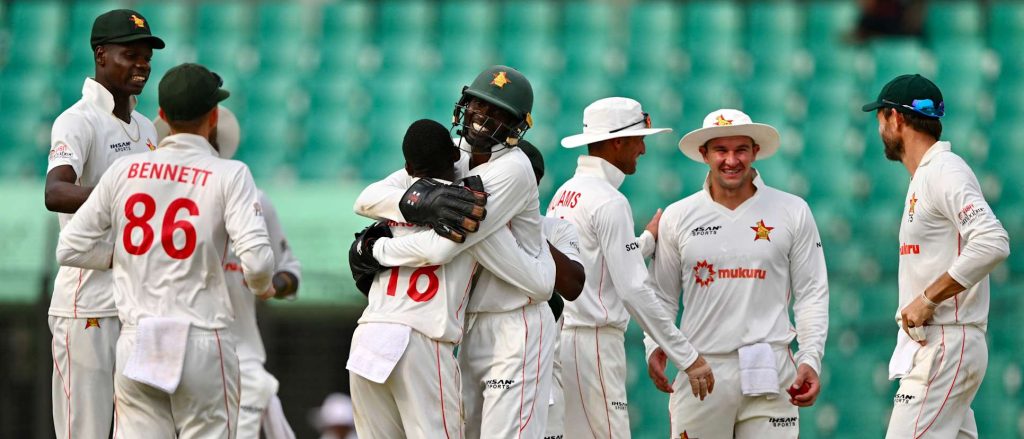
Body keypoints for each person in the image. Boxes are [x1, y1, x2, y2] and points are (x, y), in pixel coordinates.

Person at [55, 62, 275, 438]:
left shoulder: (126, 170)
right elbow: (256, 264)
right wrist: (260, 285)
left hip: (138, 338)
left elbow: (70, 247)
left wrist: (121, 256)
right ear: (213, 116)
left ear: (161, 115)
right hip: (202, 337)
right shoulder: (230, 173)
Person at [352, 65, 570, 437]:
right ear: (465, 104)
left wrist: (378, 250)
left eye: (499, 113)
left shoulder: (515, 169)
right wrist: (419, 201)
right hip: (470, 321)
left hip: (516, 317)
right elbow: (367, 198)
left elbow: (450, 242)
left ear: (518, 125)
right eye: (480, 106)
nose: (484, 119)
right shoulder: (455, 155)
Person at [644, 108, 830, 438]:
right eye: (721, 150)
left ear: (755, 151)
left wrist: (810, 358)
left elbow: (812, 293)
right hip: (700, 369)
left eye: (740, 149)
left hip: (771, 367)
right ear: (704, 154)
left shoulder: (792, 210)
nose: (732, 160)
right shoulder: (679, 216)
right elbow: (661, 296)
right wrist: (654, 346)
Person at [548, 97, 715, 439]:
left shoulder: (566, 192)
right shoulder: (610, 201)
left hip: (563, 341)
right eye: (639, 139)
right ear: (617, 141)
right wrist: (687, 356)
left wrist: (647, 241)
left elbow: (598, 264)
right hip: (594, 344)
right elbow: (633, 288)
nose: (643, 149)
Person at [862, 74, 1010, 438]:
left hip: (947, 341)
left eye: (880, 118)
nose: (879, 127)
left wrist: (929, 298)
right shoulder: (926, 175)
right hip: (945, 345)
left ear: (896, 118)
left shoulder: (944, 170)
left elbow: (992, 241)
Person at [43, 9, 164, 439]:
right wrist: (121, 199)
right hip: (86, 303)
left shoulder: (146, 128)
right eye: (130, 55)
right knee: (86, 431)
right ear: (100, 55)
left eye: (146, 58)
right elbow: (56, 191)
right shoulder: (77, 120)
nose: (141, 66)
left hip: (135, 302)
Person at [156, 106, 301, 439]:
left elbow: (288, 270)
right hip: (168, 352)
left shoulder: (255, 199)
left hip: (240, 357)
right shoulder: (158, 196)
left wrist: (269, 284)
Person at [517, 140, 587, 439]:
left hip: (542, 379)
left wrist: (524, 228)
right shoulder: (478, 229)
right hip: (483, 374)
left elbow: (572, 286)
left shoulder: (556, 229)